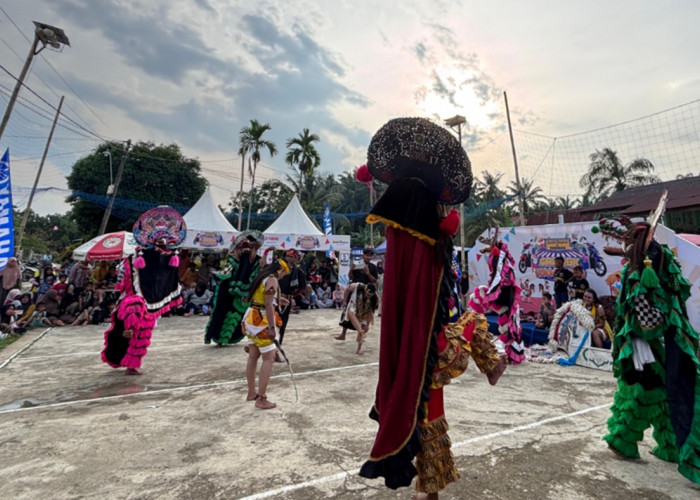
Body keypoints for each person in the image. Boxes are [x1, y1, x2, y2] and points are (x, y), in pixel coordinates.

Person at [357, 117, 506, 499]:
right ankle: (492, 363)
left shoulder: (404, 224)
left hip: (419, 339)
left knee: (431, 389)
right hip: (430, 346)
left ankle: (428, 486)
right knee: (465, 332)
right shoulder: (424, 225)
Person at [595, 212, 700, 484]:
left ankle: (669, 446)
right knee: (645, 389)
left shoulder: (646, 268)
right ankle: (624, 438)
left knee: (660, 391)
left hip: (649, 344)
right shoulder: (649, 268)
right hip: (643, 345)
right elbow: (647, 320)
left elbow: (649, 317)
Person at [101, 206, 186, 375]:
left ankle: (131, 362)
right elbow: (124, 281)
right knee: (131, 328)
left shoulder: (165, 257)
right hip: (135, 300)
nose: (164, 245)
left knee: (143, 332)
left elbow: (168, 272)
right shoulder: (135, 258)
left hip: (149, 299)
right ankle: (129, 363)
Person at [242, 259, 289, 410]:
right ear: (280, 270)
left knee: (253, 355)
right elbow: (268, 304)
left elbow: (263, 298)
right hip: (261, 320)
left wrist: (277, 300)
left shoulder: (262, 276)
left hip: (250, 317)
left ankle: (251, 392)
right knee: (268, 357)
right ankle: (261, 398)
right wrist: (272, 327)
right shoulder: (272, 279)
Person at [204, 230, 263, 346]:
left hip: (241, 295)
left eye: (250, 248)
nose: (247, 250)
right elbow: (225, 274)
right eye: (245, 248)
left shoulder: (255, 262)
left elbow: (256, 273)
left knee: (234, 316)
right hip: (227, 293)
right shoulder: (234, 261)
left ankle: (224, 338)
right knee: (222, 314)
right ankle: (220, 338)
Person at [334, 282, 378, 354]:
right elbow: (346, 290)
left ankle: (359, 348)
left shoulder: (374, 299)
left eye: (369, 295)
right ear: (365, 290)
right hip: (354, 304)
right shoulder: (355, 286)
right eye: (367, 294)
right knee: (350, 313)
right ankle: (357, 331)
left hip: (365, 309)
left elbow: (371, 312)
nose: (367, 296)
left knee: (364, 329)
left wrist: (367, 325)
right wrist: (344, 301)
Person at [277, 249, 306, 344]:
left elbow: (303, 287)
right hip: (275, 298)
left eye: (291, 257)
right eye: (287, 256)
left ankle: (278, 345)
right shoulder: (278, 268)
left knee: (283, 323)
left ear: (295, 258)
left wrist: (292, 295)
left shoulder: (298, 272)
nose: (288, 258)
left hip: (287, 299)